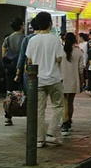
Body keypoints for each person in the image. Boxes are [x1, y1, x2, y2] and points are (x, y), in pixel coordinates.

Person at [25, 12, 64, 148]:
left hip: (37, 80)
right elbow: (59, 58)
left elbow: (29, 60)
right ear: (50, 24)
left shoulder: (32, 40)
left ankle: (40, 139)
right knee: (58, 106)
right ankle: (52, 133)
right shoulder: (55, 39)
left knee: (39, 110)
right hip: (54, 78)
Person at [1, 17, 25, 126]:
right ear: (21, 26)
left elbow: (3, 54)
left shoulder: (8, 38)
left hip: (10, 68)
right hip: (22, 68)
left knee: (9, 91)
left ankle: (8, 115)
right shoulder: (25, 38)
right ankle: (22, 110)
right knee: (23, 91)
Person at [60, 32, 85, 136]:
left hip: (62, 79)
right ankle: (69, 120)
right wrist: (82, 81)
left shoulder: (60, 52)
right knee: (70, 101)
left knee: (64, 102)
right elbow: (81, 70)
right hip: (74, 80)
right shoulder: (79, 52)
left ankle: (64, 123)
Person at [14, 18, 39, 90]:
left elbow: (22, 57)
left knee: (29, 94)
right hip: (43, 71)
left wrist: (18, 74)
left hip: (29, 70)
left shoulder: (27, 39)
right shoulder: (45, 39)